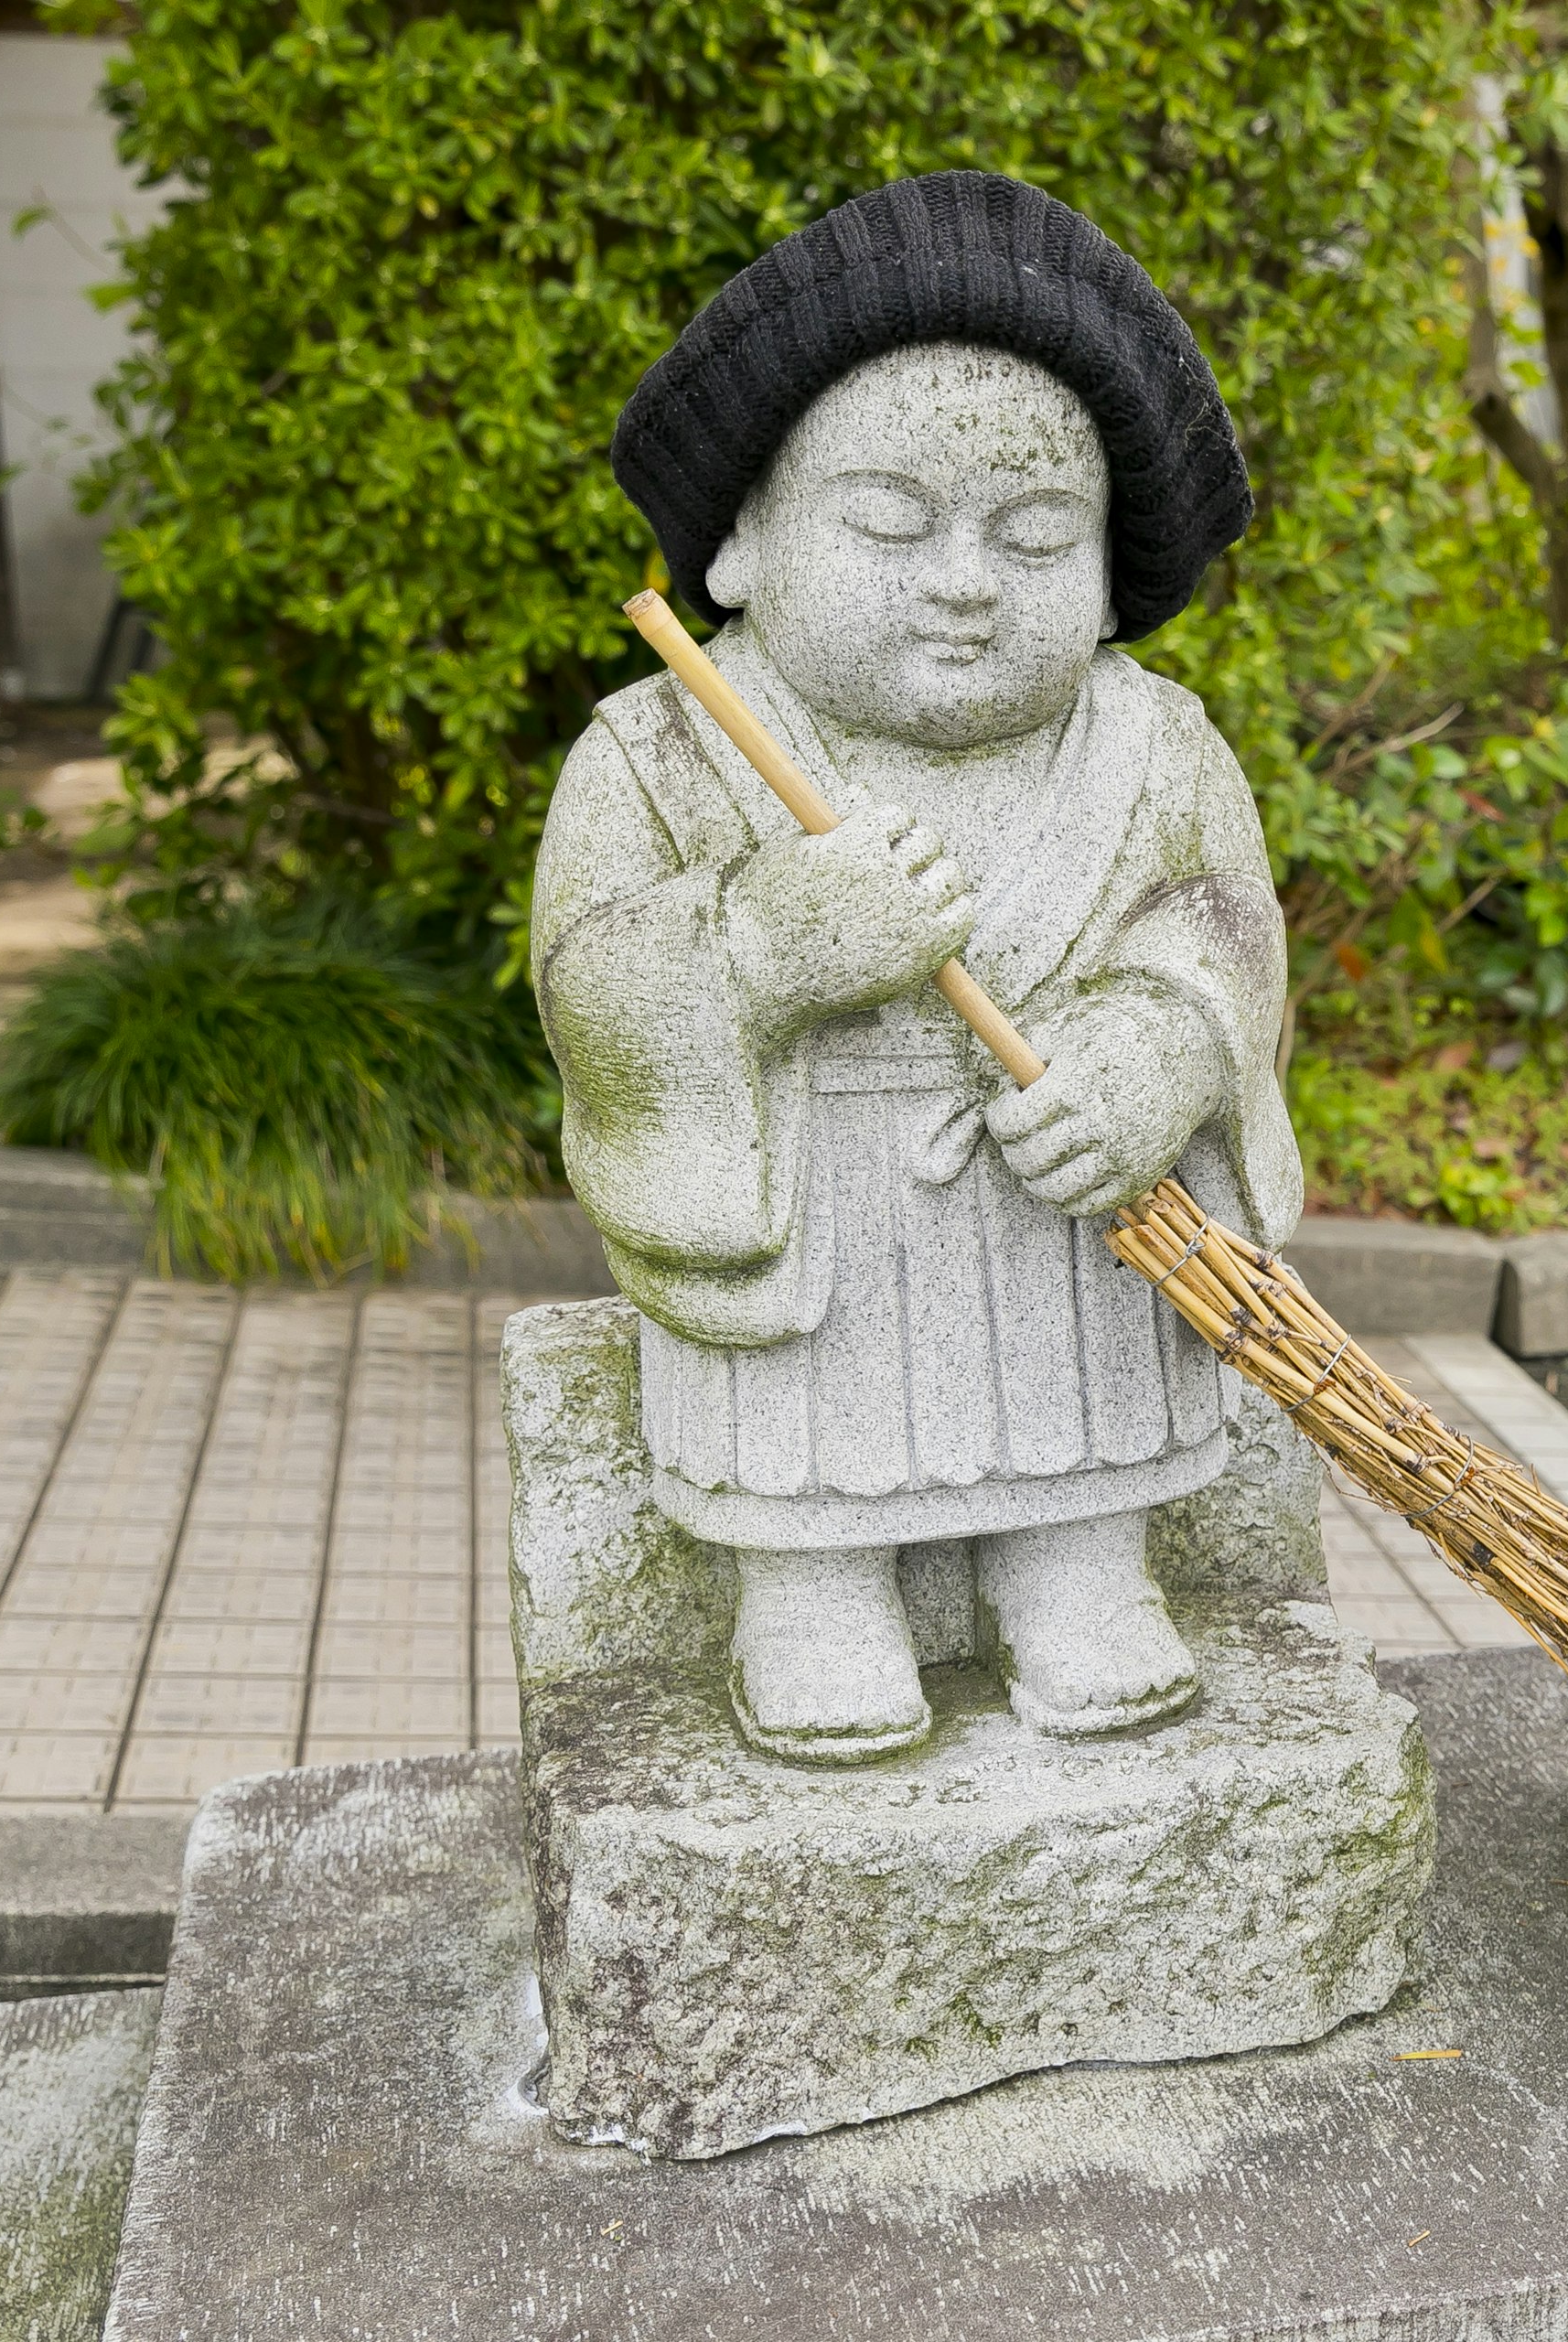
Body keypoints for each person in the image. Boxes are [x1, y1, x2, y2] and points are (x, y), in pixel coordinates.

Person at [529, 173, 1297, 1762]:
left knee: (1085, 1423)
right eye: (890, 524)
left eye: (1035, 536)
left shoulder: (1154, 744)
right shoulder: (661, 751)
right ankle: (807, 1601)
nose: (966, 580)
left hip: (1069, 1213)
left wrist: (1162, 1048)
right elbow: (588, 982)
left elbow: (1226, 923)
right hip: (819, 1215)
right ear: (738, 544)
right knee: (808, 1468)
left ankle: (1079, 1576)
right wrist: (754, 947)